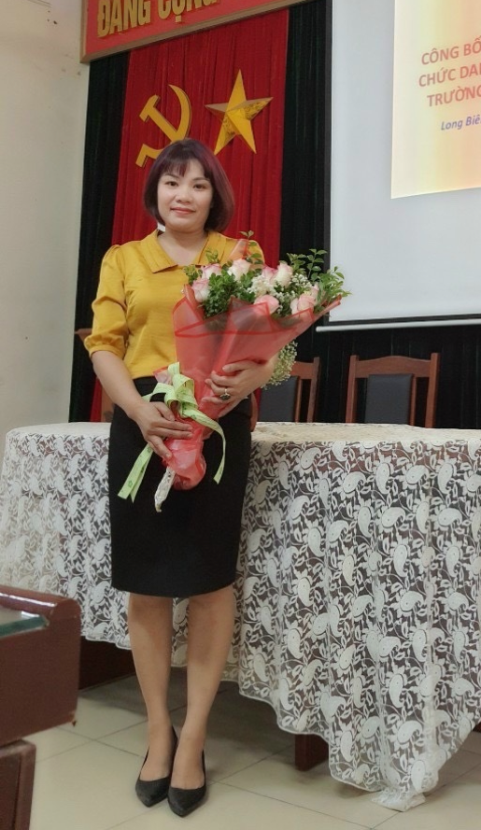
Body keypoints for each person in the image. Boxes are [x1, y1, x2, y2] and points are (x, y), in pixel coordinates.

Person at [85, 138, 276, 817]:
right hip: (144, 421)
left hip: (219, 423)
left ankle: (193, 738)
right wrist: (138, 411)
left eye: (198, 184)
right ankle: (157, 733)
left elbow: (267, 347)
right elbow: (103, 345)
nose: (184, 194)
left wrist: (254, 377)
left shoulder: (239, 256)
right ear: (156, 194)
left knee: (208, 581)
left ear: (214, 196)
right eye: (172, 182)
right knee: (147, 584)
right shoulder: (123, 258)